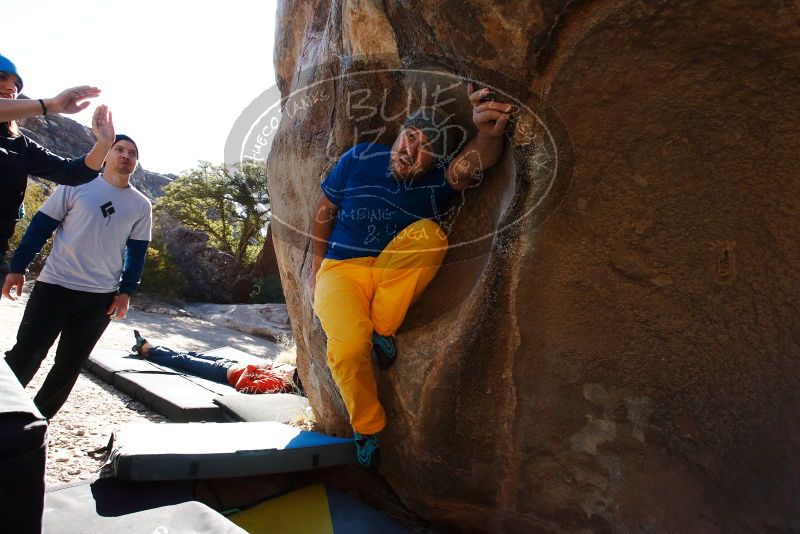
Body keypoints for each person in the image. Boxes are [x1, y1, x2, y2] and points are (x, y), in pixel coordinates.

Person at [306, 83, 514, 470]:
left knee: (430, 235)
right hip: (341, 270)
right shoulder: (360, 156)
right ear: (399, 133)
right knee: (348, 348)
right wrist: (316, 266)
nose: (411, 149)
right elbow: (325, 208)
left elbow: (475, 161)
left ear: (435, 161)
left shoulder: (439, 182)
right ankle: (367, 427)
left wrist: (487, 132)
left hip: (390, 269)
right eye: (410, 136)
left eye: (425, 148)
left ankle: (382, 330)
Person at [2, 134, 152, 420]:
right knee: (26, 354)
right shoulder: (76, 184)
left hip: (99, 299)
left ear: (136, 162)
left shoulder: (141, 205)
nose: (125, 155)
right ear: (105, 155)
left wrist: (125, 292)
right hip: (55, 286)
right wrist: (17, 267)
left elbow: (137, 252)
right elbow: (40, 228)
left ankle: (37, 422)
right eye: (118, 149)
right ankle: (3, 411)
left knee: (69, 365)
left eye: (132, 152)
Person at [0, 52, 110, 291]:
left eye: (15, 85)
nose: (11, 88)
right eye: (2, 78)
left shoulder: (20, 145)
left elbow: (72, 173)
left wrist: (103, 145)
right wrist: (51, 105)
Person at [131, 330, 300, 394]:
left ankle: (147, 349)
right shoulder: (282, 375)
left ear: (294, 378)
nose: (288, 369)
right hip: (229, 363)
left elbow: (243, 386)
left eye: (292, 371)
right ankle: (149, 348)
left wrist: (252, 367)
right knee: (190, 354)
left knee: (184, 360)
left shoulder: (277, 384)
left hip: (222, 373)